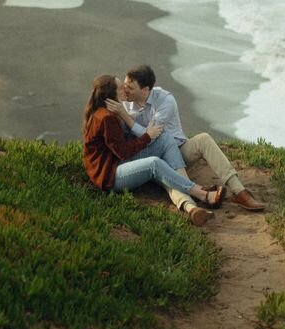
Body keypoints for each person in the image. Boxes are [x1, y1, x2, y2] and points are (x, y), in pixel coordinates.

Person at [107, 65, 266, 215]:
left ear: (145, 89)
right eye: (125, 85)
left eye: (130, 87)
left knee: (203, 139)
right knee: (163, 168)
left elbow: (151, 136)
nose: (125, 90)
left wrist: (126, 117)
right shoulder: (125, 105)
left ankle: (240, 192)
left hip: (179, 150)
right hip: (148, 157)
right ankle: (193, 206)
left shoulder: (164, 100)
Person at [83, 75, 225, 226]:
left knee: (166, 139)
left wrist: (143, 133)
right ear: (111, 94)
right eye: (120, 88)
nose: (125, 90)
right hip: (110, 175)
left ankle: (187, 188)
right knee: (154, 163)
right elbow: (122, 152)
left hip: (118, 162)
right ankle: (201, 194)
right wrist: (147, 136)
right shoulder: (106, 118)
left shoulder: (110, 112)